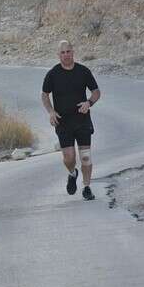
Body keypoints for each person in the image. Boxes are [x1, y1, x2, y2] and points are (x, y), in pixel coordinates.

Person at [41, 40, 101, 201]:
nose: (66, 55)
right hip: (63, 122)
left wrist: (89, 103)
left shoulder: (83, 71)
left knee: (86, 156)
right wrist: (51, 111)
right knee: (69, 158)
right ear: (58, 55)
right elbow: (44, 95)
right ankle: (72, 173)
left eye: (68, 51)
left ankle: (87, 187)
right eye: (63, 52)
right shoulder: (53, 74)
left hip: (82, 120)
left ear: (73, 52)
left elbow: (96, 91)